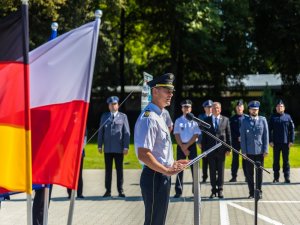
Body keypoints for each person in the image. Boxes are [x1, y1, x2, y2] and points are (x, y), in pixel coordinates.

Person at [134, 73, 188, 225]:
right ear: (155, 91)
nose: (171, 94)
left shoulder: (160, 115)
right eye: (167, 90)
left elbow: (158, 151)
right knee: (153, 221)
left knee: (158, 221)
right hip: (154, 176)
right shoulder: (149, 117)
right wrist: (166, 170)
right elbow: (144, 154)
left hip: (161, 174)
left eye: (172, 91)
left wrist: (172, 163)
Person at [98, 96, 130, 198]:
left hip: (119, 149)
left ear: (118, 105)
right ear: (108, 106)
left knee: (119, 170)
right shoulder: (104, 116)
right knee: (108, 170)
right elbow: (100, 132)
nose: (113, 106)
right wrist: (99, 145)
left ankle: (120, 190)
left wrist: (126, 147)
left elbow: (126, 132)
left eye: (115, 104)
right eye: (111, 104)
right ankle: (108, 191)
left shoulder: (123, 116)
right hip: (107, 148)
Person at [201, 102, 231, 198]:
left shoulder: (225, 120)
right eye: (214, 108)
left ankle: (220, 190)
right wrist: (204, 151)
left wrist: (228, 149)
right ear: (211, 109)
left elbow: (228, 135)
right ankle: (213, 190)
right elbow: (204, 137)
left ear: (220, 109)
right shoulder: (206, 120)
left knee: (221, 171)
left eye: (217, 108)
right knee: (212, 171)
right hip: (210, 150)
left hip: (222, 150)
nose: (215, 110)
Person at [240, 100, 269, 199]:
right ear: (249, 110)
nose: (254, 111)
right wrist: (243, 151)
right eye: (252, 109)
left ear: (258, 110)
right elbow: (243, 138)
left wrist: (266, 150)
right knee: (249, 173)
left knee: (259, 173)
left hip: (260, 151)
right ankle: (251, 192)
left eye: (256, 109)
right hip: (248, 152)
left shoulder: (263, 120)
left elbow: (266, 136)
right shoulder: (244, 121)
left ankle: (259, 192)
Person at [173, 99, 201, 198]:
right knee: (179, 169)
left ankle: (196, 191)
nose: (186, 109)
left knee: (194, 169)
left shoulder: (195, 120)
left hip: (191, 146)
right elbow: (176, 134)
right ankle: (178, 191)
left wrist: (187, 146)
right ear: (182, 109)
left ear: (191, 108)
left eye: (188, 107)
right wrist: (183, 147)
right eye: (185, 107)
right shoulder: (178, 120)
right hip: (181, 146)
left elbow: (196, 135)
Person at [269, 99, 295, 183]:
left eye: (281, 106)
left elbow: (292, 130)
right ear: (276, 108)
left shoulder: (288, 117)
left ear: (284, 108)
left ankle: (286, 177)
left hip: (285, 143)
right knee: (276, 161)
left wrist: (291, 141)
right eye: (278, 106)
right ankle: (276, 178)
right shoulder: (273, 117)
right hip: (275, 143)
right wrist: (270, 141)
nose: (280, 108)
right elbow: (269, 130)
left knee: (286, 161)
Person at [229, 100, 247, 182]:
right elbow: (230, 131)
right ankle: (234, 176)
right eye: (238, 107)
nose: (239, 108)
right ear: (236, 108)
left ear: (243, 108)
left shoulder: (247, 118)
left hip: (245, 142)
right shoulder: (232, 119)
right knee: (235, 159)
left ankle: (247, 176)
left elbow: (249, 130)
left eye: (241, 106)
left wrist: (243, 137)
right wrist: (237, 137)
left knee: (245, 159)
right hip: (235, 142)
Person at [67, 130, 87, 198]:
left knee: (79, 173)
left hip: (80, 153)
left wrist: (80, 150)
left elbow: (85, 138)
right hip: (70, 152)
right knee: (70, 173)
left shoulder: (83, 123)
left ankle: (79, 193)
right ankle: (70, 193)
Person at [197, 99, 213, 183]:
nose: (209, 109)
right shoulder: (201, 117)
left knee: (213, 159)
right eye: (208, 107)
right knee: (205, 159)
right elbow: (198, 130)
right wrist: (199, 141)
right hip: (204, 141)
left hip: (213, 141)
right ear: (204, 108)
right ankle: (204, 176)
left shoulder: (214, 116)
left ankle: (214, 175)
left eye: (211, 107)